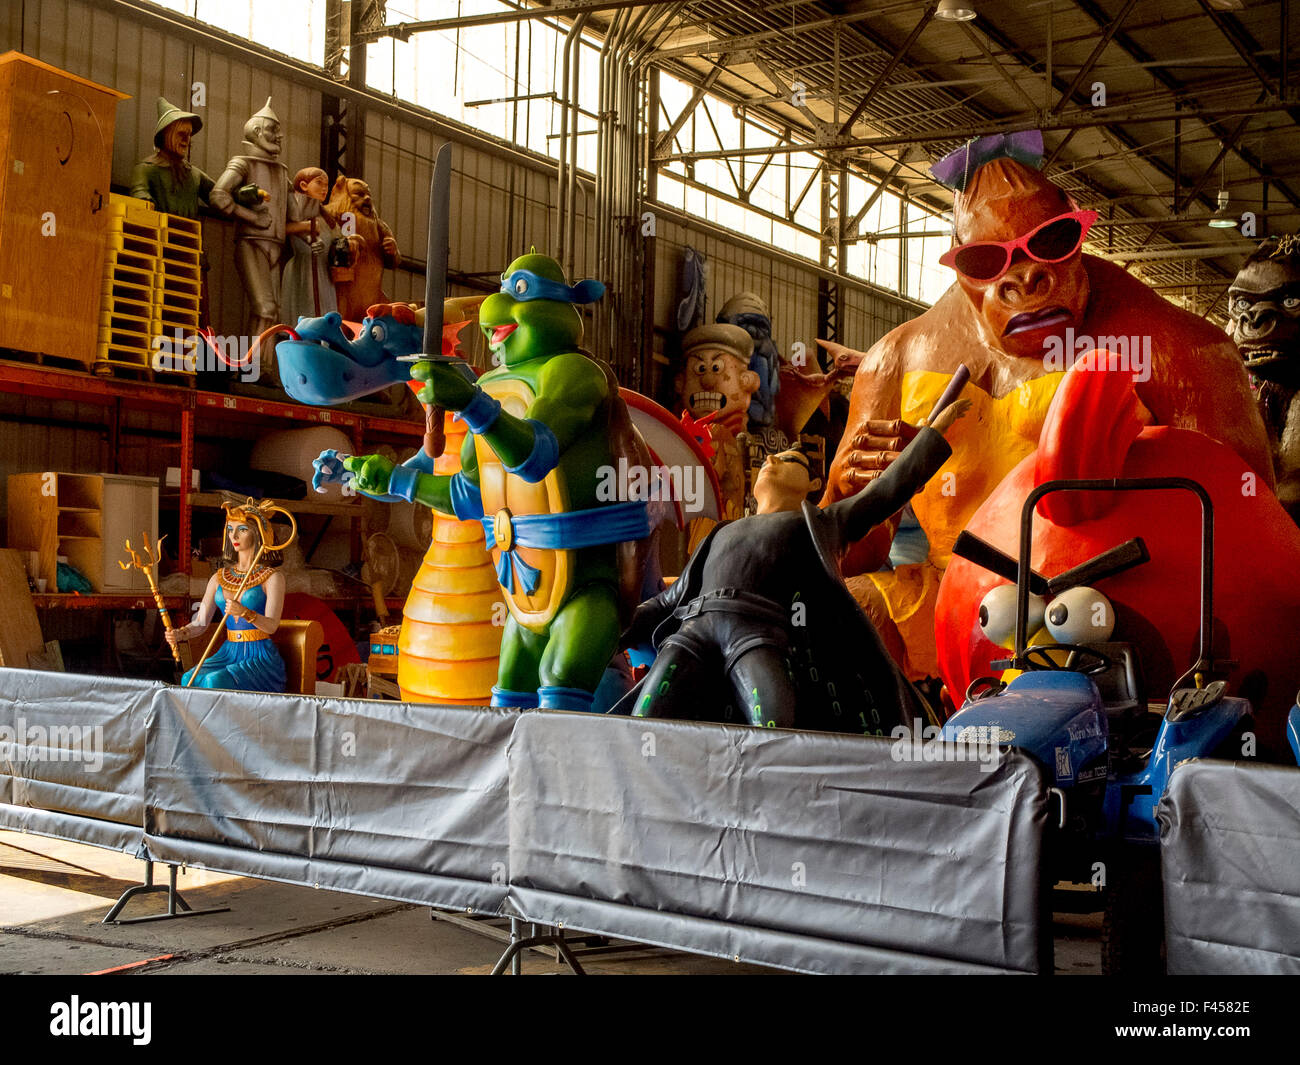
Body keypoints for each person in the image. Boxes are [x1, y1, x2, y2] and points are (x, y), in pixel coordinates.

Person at [615, 398, 971, 733]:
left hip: (757, 637)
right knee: (649, 711)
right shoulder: (720, 533)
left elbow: (883, 495)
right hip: (693, 630)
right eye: (771, 458)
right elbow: (667, 602)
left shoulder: (820, 524)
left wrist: (932, 436)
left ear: (814, 484)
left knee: (772, 722)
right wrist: (613, 628)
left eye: (789, 460)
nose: (772, 461)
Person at [167, 499, 287, 692]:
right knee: (190, 678)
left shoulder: (272, 578)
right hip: (229, 652)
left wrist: (245, 612)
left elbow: (272, 626)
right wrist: (181, 633)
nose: (234, 535)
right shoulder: (219, 577)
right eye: (230, 529)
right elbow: (200, 622)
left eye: (242, 529)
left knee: (215, 681)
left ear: (258, 533)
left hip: (258, 656)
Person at [281, 166, 340, 324]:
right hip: (303, 268)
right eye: (319, 183)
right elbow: (281, 228)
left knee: (324, 311)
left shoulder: (327, 218)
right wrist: (306, 227)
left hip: (324, 272)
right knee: (304, 310)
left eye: (326, 185)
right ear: (304, 185)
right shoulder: (296, 208)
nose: (324, 189)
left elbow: (338, 238)